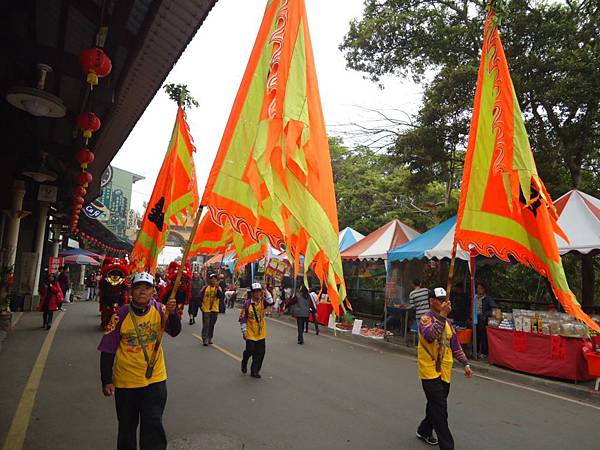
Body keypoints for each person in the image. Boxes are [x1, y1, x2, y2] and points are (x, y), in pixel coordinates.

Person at [98, 272, 181, 450]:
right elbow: (107, 349)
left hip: (155, 381)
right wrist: (107, 380)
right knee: (127, 428)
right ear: (131, 291)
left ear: (153, 292)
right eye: (138, 287)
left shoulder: (161, 310)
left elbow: (174, 331)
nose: (142, 291)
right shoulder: (119, 316)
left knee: (153, 425)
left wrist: (173, 314)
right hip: (126, 382)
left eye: (147, 288)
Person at [417, 287, 473, 450]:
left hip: (445, 371)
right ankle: (447, 446)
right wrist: (442, 315)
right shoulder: (425, 319)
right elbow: (430, 335)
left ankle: (424, 429)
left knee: (435, 405)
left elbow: (455, 345)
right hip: (429, 371)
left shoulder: (448, 322)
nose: (443, 303)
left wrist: (466, 363)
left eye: (444, 300)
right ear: (431, 301)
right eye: (440, 300)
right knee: (441, 410)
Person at [239, 283, 274, 378]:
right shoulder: (247, 304)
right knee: (250, 350)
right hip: (250, 332)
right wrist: (244, 331)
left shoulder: (263, 302)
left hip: (261, 332)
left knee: (260, 353)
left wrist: (266, 290)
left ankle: (255, 371)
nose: (258, 293)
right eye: (256, 291)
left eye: (259, 291)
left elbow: (271, 301)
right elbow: (243, 318)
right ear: (252, 293)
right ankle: (245, 360)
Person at [199, 273, 224, 346]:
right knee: (206, 324)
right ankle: (205, 338)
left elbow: (221, 297)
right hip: (206, 309)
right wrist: (201, 306)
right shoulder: (205, 288)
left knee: (211, 324)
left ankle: (210, 337)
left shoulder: (218, 288)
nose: (213, 281)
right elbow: (200, 297)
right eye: (212, 279)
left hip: (214, 309)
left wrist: (217, 288)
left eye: (215, 280)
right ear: (209, 280)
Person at [474, 282, 497, 357]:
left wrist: (486, 315)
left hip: (482, 318)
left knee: (483, 335)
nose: (479, 290)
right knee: (475, 334)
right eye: (478, 288)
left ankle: (484, 352)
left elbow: (494, 309)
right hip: (474, 317)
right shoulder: (474, 297)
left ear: (484, 289)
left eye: (480, 288)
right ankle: (475, 351)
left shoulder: (487, 299)